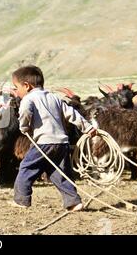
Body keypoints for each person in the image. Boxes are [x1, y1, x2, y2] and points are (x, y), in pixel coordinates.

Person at [10, 66, 97, 211]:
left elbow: (25, 112)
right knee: (60, 173)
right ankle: (73, 202)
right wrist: (87, 128)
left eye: (16, 87)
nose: (16, 91)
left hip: (44, 142)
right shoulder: (54, 97)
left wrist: (24, 127)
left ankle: (21, 200)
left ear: (26, 86)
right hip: (62, 143)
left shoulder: (28, 98)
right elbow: (71, 113)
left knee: (26, 167)